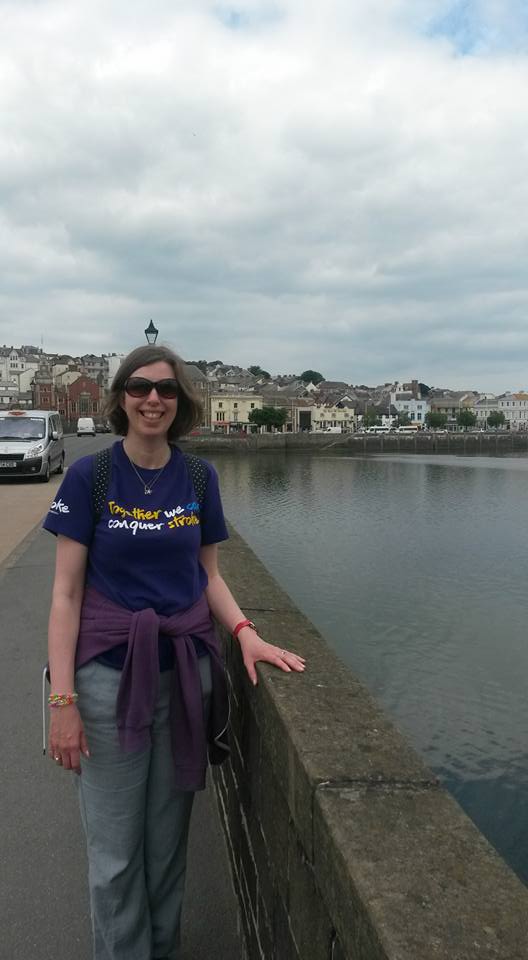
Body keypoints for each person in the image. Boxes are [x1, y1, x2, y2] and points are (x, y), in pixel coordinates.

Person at [43, 344, 305, 960]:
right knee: (114, 859)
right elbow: (64, 595)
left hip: (182, 683)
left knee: (166, 852)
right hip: (106, 683)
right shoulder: (92, 477)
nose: (152, 399)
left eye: (165, 389)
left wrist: (246, 633)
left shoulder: (197, 478)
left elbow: (207, 573)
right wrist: (62, 700)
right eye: (138, 387)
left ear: (182, 402)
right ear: (120, 399)